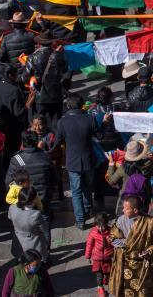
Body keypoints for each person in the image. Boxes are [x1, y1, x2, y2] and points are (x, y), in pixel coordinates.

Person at [54, 95, 97, 230]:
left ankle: (80, 220)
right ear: (82, 105)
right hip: (88, 159)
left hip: (72, 162)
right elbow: (99, 135)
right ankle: (87, 209)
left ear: (68, 106)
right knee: (87, 187)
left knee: (76, 191)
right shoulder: (90, 119)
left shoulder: (62, 122)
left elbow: (57, 142)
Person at [8, 187, 49, 263]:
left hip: (18, 242)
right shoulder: (36, 214)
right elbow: (44, 229)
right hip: (34, 245)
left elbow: (10, 217)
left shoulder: (12, 208)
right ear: (33, 200)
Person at [84, 213, 114, 296]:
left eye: (103, 226)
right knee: (99, 273)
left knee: (108, 271)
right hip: (97, 257)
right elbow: (89, 244)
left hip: (108, 256)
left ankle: (106, 278)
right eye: (98, 226)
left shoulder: (111, 231)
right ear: (95, 225)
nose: (101, 228)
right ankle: (100, 287)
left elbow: (114, 244)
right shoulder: (93, 232)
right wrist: (88, 256)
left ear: (106, 224)